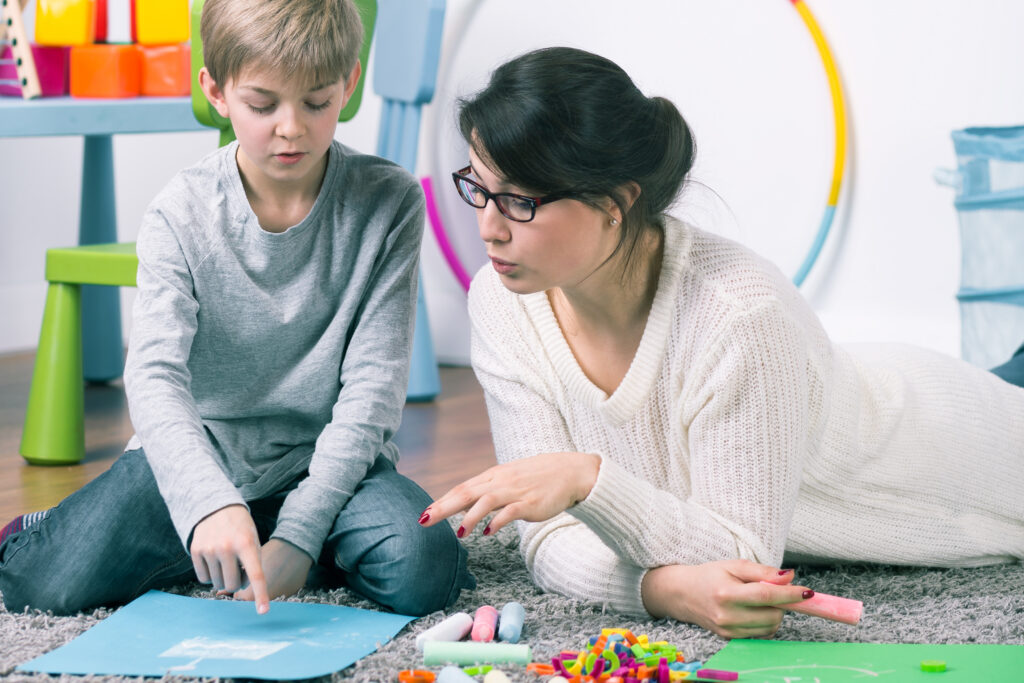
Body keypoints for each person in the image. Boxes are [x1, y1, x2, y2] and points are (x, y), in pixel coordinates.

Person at [418, 46, 1024, 639]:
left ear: (616, 203)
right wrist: (659, 590)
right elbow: (549, 538)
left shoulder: (740, 314)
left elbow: (740, 549)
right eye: (479, 187)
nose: (488, 227)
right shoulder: (501, 303)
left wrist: (588, 480)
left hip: (953, 448)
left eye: (520, 201)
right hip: (850, 388)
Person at [0, 0, 472, 617]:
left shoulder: (390, 202)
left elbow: (373, 391)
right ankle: (106, 529)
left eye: (316, 101)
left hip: (328, 463)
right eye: (262, 104)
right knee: (44, 588)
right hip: (203, 451)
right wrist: (206, 504)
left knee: (427, 569)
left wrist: (300, 536)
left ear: (349, 84)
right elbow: (153, 376)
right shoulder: (180, 211)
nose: (291, 128)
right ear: (216, 91)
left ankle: (268, 542)